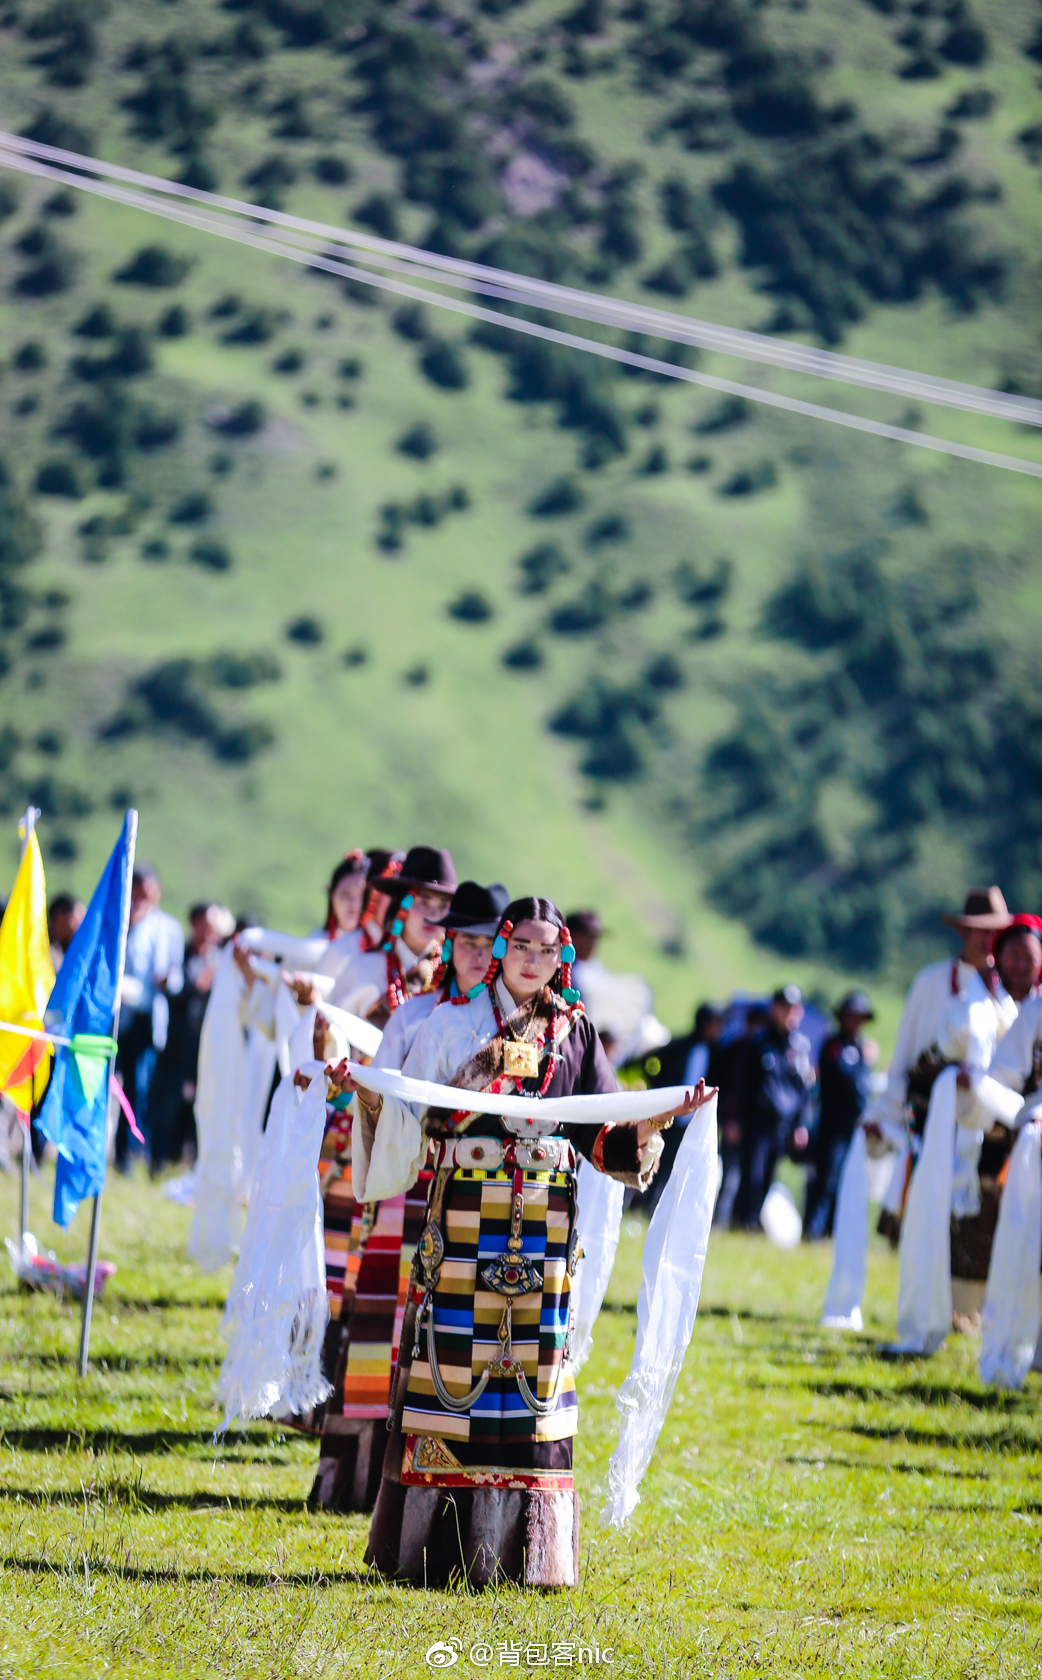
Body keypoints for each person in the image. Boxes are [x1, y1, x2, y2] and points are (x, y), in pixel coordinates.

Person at [335, 895, 708, 1589]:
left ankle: (523, 1554)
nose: (534, 960)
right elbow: (409, 1127)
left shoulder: (574, 1032)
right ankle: (431, 1546)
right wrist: (371, 1098)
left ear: (560, 955)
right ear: (502, 947)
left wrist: (656, 1117)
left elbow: (598, 1129)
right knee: (453, 1364)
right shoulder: (446, 1024)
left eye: (547, 948)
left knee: (531, 1377)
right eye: (523, 946)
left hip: (543, 1224)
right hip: (464, 1216)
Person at [310, 879, 510, 1512]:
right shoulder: (417, 1014)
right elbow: (383, 1098)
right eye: (468, 942)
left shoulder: (516, 1025)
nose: (479, 955)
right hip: (409, 1186)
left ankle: (446, 1484)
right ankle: (361, 1477)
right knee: (382, 1327)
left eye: (489, 944)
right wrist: (356, 1088)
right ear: (447, 944)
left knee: (454, 1339)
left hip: (481, 1197)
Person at [867, 887, 1016, 1245]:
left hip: (987, 1132)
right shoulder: (930, 983)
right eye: (982, 929)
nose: (989, 938)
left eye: (996, 931)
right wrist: (886, 1113)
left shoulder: (1007, 995)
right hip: (930, 1117)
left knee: (979, 1229)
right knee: (923, 1220)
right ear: (963, 932)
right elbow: (903, 1058)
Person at [147, 903, 234, 1171]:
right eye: (204, 925)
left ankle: (193, 1167)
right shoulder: (179, 955)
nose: (208, 932)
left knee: (200, 1108)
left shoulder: (222, 961)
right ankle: (160, 1162)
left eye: (213, 927)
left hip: (206, 1047)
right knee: (167, 1106)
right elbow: (170, 988)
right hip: (175, 1045)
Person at [328, 846, 457, 1026]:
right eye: (424, 902)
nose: (433, 915)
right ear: (402, 906)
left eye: (443, 906)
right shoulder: (366, 968)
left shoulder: (453, 977)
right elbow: (330, 1030)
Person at [115, 864, 184, 1171]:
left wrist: (168, 981)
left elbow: (177, 976)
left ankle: (128, 1155)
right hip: (118, 1015)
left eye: (147, 891)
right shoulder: (117, 920)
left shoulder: (169, 929)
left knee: (137, 1089)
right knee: (109, 1083)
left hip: (147, 1019)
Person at [735, 985, 814, 1229]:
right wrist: (735, 1118)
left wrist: (801, 1124)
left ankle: (754, 1221)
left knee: (769, 1176)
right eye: (784, 1007)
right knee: (752, 1175)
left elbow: (805, 1090)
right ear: (774, 1008)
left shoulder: (799, 1048)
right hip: (757, 1120)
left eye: (793, 1009)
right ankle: (743, 1222)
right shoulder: (758, 1043)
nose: (788, 1013)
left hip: (783, 1123)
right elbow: (743, 1084)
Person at [803, 992, 875, 1239]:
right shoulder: (833, 1046)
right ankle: (813, 1231)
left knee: (846, 1183)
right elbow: (849, 1082)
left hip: (852, 1128)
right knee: (826, 1180)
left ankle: (833, 1234)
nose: (855, 1023)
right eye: (851, 1017)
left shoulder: (859, 1049)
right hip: (831, 1127)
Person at [644, 1003, 722, 1215]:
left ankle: (664, 1209)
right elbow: (652, 1065)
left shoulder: (718, 1055)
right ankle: (644, 1205)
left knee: (677, 1168)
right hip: (668, 1115)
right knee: (655, 1159)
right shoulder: (678, 1046)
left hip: (692, 1121)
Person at [47, 892, 84, 974]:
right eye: (79, 917)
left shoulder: (67, 947)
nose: (81, 925)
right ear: (61, 914)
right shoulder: (43, 947)